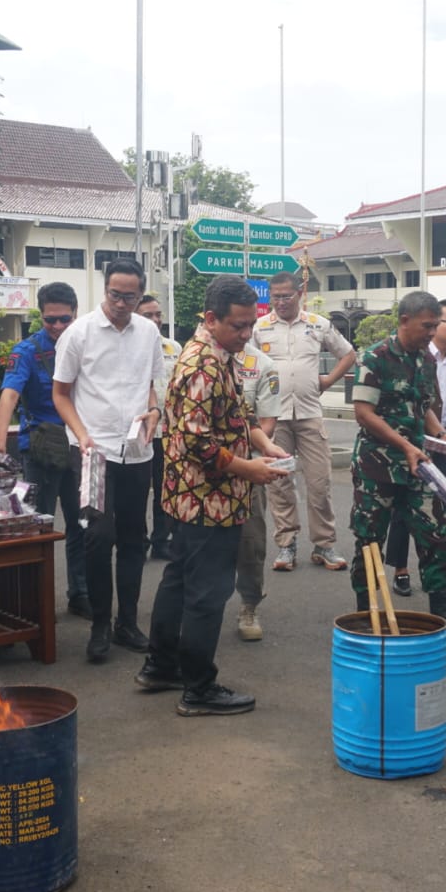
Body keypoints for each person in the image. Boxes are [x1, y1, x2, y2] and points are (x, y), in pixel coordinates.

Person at [137, 275, 289, 715]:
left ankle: (161, 667)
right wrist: (251, 470)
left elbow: (237, 412)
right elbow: (196, 444)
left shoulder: (216, 353)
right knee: (207, 593)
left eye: (250, 326)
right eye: (238, 326)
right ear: (211, 319)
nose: (246, 335)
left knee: (179, 580)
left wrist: (264, 445)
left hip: (190, 497)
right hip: (209, 500)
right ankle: (198, 688)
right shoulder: (203, 366)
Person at [347, 291, 446, 645]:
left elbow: (424, 407)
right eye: (427, 326)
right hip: (378, 466)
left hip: (417, 465)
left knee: (436, 534)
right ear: (404, 321)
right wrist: (403, 445)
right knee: (370, 539)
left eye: (436, 326)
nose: (432, 333)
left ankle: (443, 614)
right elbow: (363, 413)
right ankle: (366, 614)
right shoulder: (375, 358)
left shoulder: (423, 359)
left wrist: (445, 436)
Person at [52, 259, 162, 662]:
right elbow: (60, 394)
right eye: (114, 294)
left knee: (136, 537)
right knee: (98, 538)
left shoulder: (148, 332)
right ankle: (99, 623)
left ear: (140, 294)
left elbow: (152, 388)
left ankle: (127, 623)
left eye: (129, 296)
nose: (120, 303)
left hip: (136, 451)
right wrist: (81, 434)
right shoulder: (78, 333)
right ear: (105, 290)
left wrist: (155, 412)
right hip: (92, 452)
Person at [0, 283, 89, 618]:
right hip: (40, 451)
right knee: (38, 526)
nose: (58, 326)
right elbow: (9, 394)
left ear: (75, 313)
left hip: (80, 447)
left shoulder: (85, 345)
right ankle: (35, 602)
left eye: (64, 319)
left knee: (82, 524)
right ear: (41, 316)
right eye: (51, 320)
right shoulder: (27, 351)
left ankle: (81, 593)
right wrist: (0, 442)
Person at [252, 271, 356, 573]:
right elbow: (247, 364)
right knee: (280, 484)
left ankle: (324, 544)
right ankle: (286, 545)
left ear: (300, 293)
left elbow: (348, 354)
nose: (281, 301)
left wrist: (327, 381)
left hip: (310, 415)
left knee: (319, 483)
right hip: (274, 419)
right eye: (276, 296)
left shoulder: (318, 324)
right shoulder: (260, 328)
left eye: (287, 295)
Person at [385, 296, 446, 597]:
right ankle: (401, 570)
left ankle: (433, 580)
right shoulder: (412, 354)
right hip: (408, 445)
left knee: (435, 515)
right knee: (403, 512)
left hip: (440, 444)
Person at [231, 336, 282, 641]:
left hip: (248, 467)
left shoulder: (262, 365)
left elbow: (265, 422)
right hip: (205, 471)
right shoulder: (199, 359)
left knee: (251, 541)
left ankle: (249, 605)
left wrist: (260, 451)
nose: (243, 331)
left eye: (248, 324)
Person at [137, 293, 182, 561]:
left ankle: (161, 540)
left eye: (158, 315)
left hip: (169, 430)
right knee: (139, 489)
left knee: (166, 487)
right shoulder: (128, 346)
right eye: (148, 315)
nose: (155, 320)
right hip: (140, 431)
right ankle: (138, 539)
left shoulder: (173, 347)